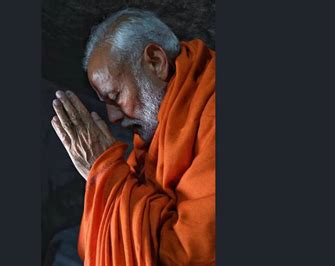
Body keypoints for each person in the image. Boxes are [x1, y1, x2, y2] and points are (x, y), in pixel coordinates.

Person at [51, 8, 215, 265]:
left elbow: (183, 254)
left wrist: (105, 171)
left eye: (115, 96)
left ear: (155, 63)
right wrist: (103, 176)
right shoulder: (154, 128)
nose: (113, 117)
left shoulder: (212, 116)